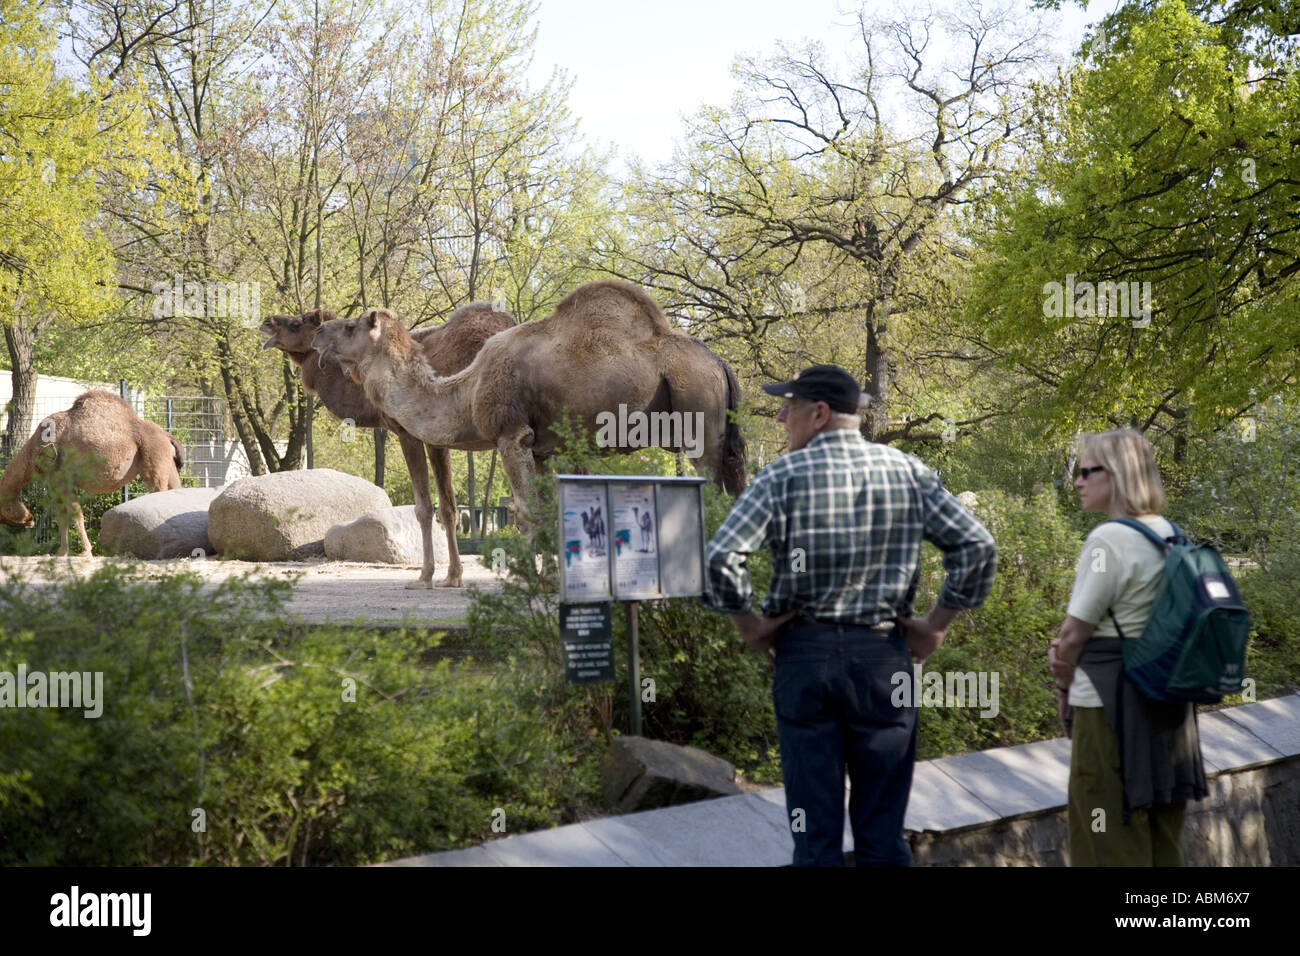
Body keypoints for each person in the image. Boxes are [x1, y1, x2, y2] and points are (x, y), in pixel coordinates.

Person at [701, 364, 997, 866]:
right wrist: (935, 627)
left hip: (805, 659)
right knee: (883, 837)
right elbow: (977, 546)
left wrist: (751, 627)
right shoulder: (907, 472)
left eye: (787, 407)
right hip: (885, 662)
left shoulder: (779, 478)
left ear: (818, 414)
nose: (779, 416)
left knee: (815, 839)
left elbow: (720, 559)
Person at [1048, 428, 1208, 866]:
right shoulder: (1172, 534)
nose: (1078, 481)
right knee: (1163, 835)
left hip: (1110, 709)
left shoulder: (1109, 540)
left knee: (1106, 833)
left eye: (1087, 472)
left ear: (1116, 475)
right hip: (1170, 710)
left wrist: (1062, 683)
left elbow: (1074, 636)